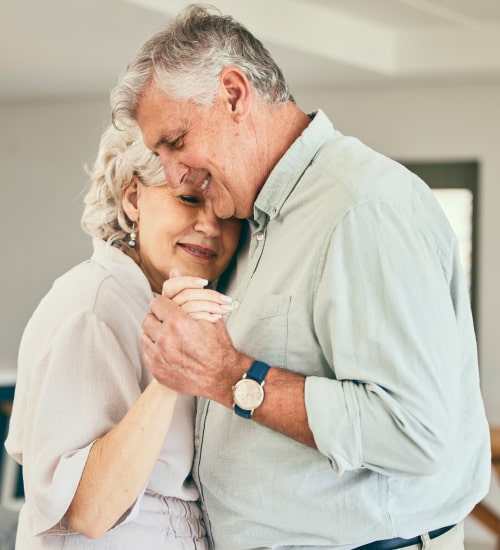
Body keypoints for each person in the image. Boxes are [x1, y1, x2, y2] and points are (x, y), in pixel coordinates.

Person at [110, 5, 491, 549]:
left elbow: (415, 432)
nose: (173, 176)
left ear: (235, 94)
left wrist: (229, 376)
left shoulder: (361, 207)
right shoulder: (249, 222)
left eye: (175, 142)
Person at [5, 122, 241, 549]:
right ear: (134, 198)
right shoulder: (90, 308)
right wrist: (172, 375)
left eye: (227, 210)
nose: (210, 225)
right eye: (189, 198)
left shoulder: (156, 301)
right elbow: (91, 512)